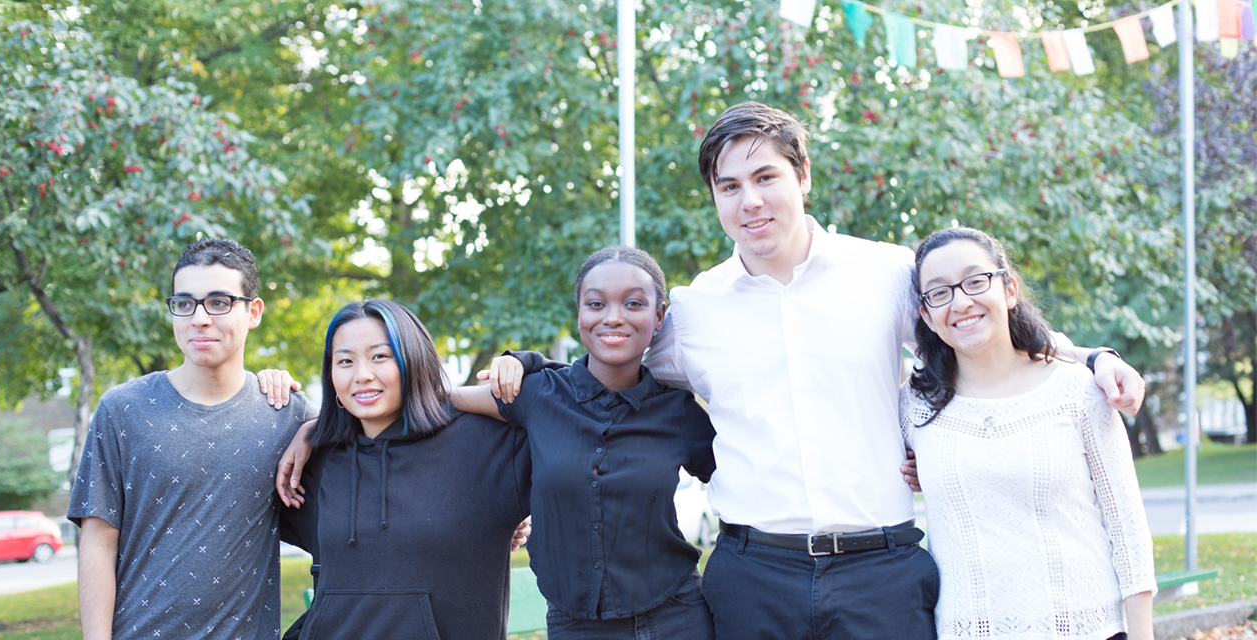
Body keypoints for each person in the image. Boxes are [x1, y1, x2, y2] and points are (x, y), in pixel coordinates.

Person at [637, 101, 1147, 640]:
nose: (751, 200)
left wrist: (1092, 358)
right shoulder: (696, 311)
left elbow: (983, 329)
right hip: (753, 575)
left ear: (804, 175)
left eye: (767, 177)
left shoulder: (883, 272)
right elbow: (609, 372)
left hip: (880, 574)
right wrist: (532, 368)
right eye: (730, 186)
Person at [448, 246, 717, 640]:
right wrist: (324, 428)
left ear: (659, 317)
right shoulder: (536, 393)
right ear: (579, 315)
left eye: (634, 303)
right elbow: (442, 399)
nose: (613, 316)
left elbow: (741, 474)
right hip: (575, 625)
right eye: (595, 303)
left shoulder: (677, 410)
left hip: (675, 618)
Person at [901, 228, 1155, 640]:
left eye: (975, 281)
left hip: (1087, 629)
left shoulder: (1078, 390)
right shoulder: (913, 408)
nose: (961, 301)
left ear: (1010, 289)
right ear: (927, 315)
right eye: (940, 292)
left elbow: (1127, 530)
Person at [68, 238, 313, 639]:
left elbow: (364, 425)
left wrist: (311, 428)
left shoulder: (286, 412)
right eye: (185, 303)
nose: (199, 318)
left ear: (253, 312)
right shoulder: (121, 409)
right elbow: (97, 543)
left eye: (219, 302)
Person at [279, 299, 532, 639]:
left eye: (380, 356)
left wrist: (523, 366)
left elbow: (581, 404)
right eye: (345, 361)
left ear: (413, 360)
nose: (362, 374)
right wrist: (304, 420)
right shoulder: (315, 459)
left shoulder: (487, 443)